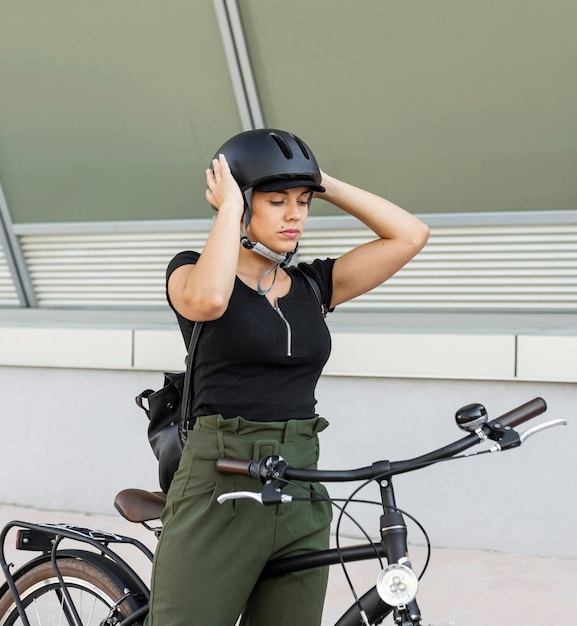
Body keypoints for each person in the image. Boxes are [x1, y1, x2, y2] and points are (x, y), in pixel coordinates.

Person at [146, 128, 429, 625]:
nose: (295, 213)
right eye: (276, 200)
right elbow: (209, 301)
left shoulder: (312, 286)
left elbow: (409, 235)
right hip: (220, 481)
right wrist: (229, 209)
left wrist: (322, 182)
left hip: (299, 481)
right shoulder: (189, 270)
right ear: (240, 203)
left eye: (303, 201)